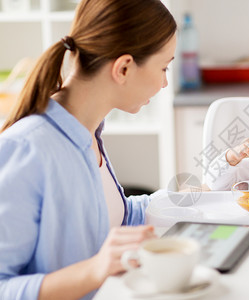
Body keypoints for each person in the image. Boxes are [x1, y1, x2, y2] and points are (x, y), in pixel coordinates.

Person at [0, 0, 177, 299]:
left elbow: (115, 218)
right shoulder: (26, 149)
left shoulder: (87, 131)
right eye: (163, 67)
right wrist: (95, 270)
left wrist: (200, 198)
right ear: (123, 68)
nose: (164, 82)